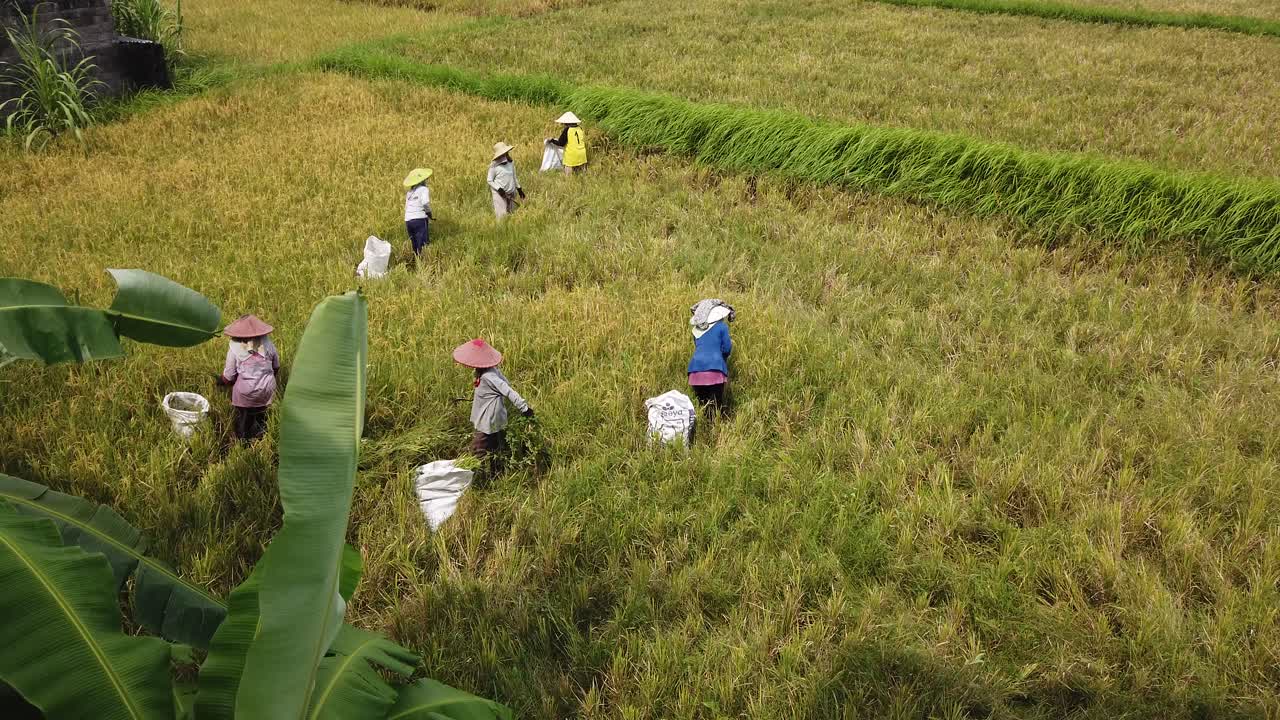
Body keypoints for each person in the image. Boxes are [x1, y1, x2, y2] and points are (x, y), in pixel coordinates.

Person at [453, 338, 534, 459]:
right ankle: (496, 462)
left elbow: (507, 389)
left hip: (488, 417)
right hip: (487, 414)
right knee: (494, 444)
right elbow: (505, 382)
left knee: (478, 448)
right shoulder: (486, 371)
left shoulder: (489, 376)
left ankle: (476, 465)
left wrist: (524, 408)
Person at [217, 314, 281, 442]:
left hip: (246, 392)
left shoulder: (235, 348)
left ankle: (243, 442)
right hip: (267, 389)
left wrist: (220, 381)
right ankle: (261, 438)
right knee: (262, 416)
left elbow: (229, 377)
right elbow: (276, 367)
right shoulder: (268, 344)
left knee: (245, 418)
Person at [687, 299, 734, 415]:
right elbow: (727, 348)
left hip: (695, 370)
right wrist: (722, 359)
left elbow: (699, 347)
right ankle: (717, 425)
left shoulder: (696, 330)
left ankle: (704, 424)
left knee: (702, 406)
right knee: (717, 405)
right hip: (715, 369)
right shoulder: (722, 327)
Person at [487, 142, 525, 220]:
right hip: (499, 193)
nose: (503, 155)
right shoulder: (494, 165)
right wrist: (499, 189)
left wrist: (519, 189)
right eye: (501, 154)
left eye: (504, 153)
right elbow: (489, 180)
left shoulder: (510, 163)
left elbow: (514, 177)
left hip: (511, 191)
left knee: (511, 214)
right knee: (502, 217)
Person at [403, 168, 433, 255]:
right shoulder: (424, 189)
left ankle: (416, 259)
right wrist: (429, 213)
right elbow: (425, 203)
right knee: (423, 244)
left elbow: (406, 207)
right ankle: (422, 261)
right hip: (419, 219)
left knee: (415, 244)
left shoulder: (409, 193)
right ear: (421, 181)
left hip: (408, 220)